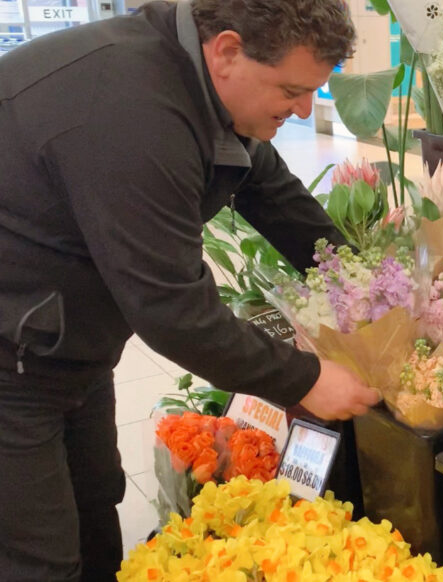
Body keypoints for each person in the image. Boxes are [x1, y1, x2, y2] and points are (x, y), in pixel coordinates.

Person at [0, 0, 381, 579]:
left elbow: (273, 194)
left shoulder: (196, 82)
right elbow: (173, 310)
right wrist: (309, 379)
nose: (304, 110)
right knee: (39, 554)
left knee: (94, 506)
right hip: (13, 352)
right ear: (227, 50)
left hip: (63, 341)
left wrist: (368, 292)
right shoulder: (130, 112)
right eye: (291, 90)